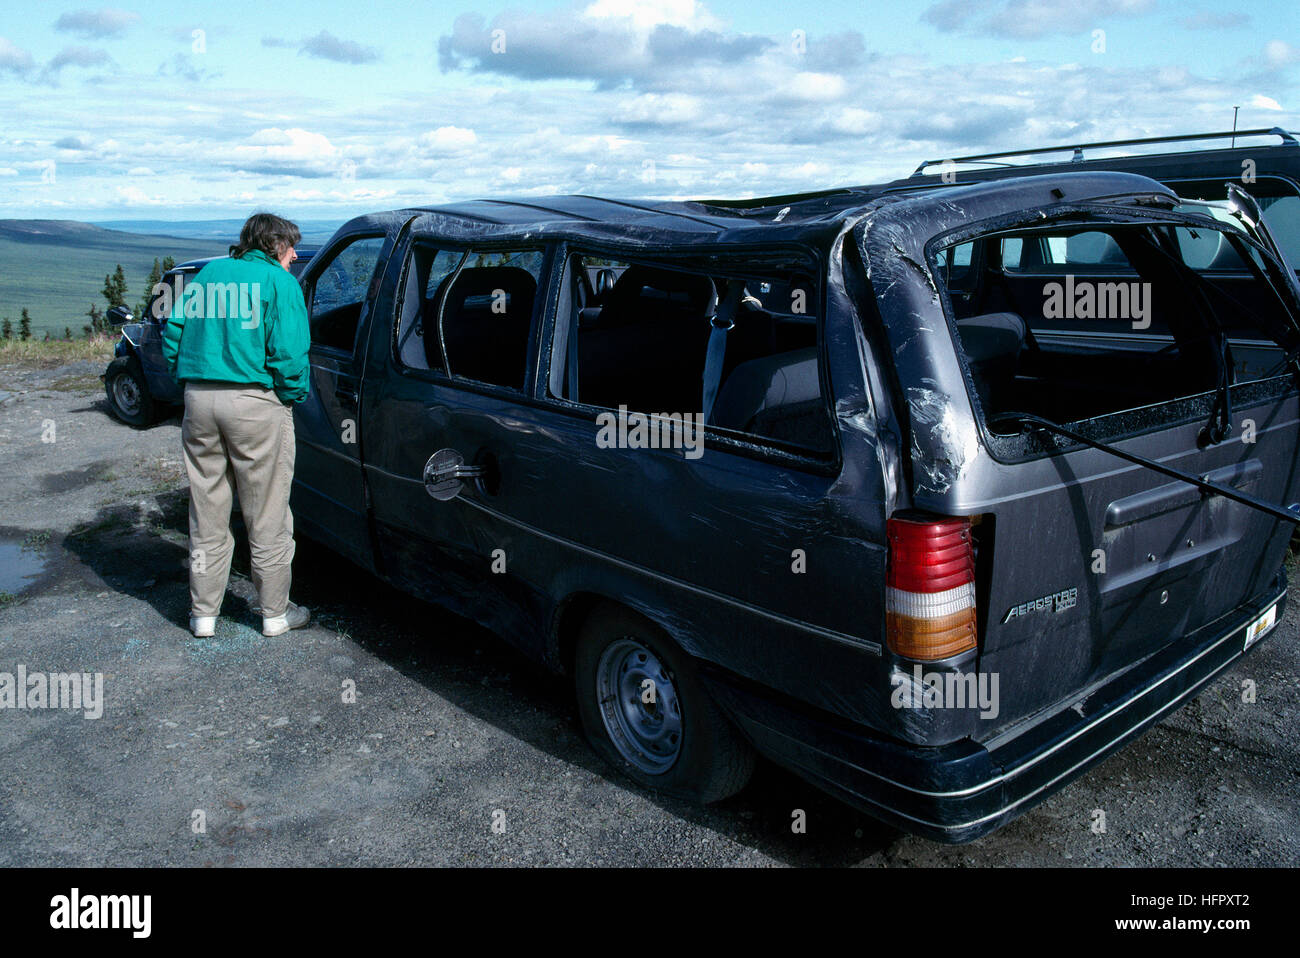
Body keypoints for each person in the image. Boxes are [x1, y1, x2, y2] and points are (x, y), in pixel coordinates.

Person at [162, 212, 312, 638]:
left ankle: (203, 615)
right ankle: (274, 615)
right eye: (290, 246)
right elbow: (290, 353)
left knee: (206, 509)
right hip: (254, 402)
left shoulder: (209, 275)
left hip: (200, 399)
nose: (295, 254)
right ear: (273, 245)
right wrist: (290, 396)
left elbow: (174, 330)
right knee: (266, 512)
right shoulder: (280, 283)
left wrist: (187, 377)